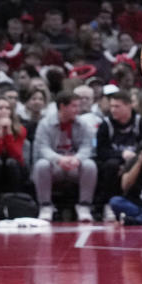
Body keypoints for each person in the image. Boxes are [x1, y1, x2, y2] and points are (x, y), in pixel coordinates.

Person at [31, 90, 98, 222]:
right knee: (41, 165)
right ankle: (45, 206)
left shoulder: (83, 124)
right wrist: (59, 159)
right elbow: (42, 148)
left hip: (75, 165)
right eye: (74, 106)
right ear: (62, 106)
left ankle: (84, 206)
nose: (77, 109)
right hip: (55, 166)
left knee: (90, 165)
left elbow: (87, 146)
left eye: (78, 106)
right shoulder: (45, 124)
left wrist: (77, 158)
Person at [95, 88, 142, 221]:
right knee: (111, 166)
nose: (113, 110)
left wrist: (136, 158)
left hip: (137, 160)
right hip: (114, 160)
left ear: (128, 106)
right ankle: (109, 204)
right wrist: (121, 154)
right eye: (111, 106)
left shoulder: (140, 123)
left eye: (117, 106)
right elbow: (101, 151)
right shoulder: (106, 124)